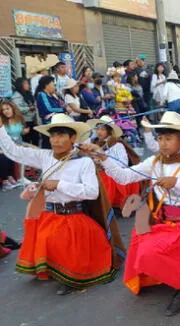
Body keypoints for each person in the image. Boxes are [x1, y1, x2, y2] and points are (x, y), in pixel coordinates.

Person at [83, 111, 180, 316]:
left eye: (169, 138)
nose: (163, 143)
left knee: (177, 253)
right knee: (145, 248)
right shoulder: (155, 162)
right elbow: (124, 177)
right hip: (167, 221)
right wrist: (102, 156)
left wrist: (178, 183)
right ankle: (178, 279)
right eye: (160, 138)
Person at [0, 113, 125, 295]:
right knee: (47, 241)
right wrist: (1, 128)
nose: (55, 141)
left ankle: (71, 276)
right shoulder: (44, 156)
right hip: (50, 216)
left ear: (73, 138)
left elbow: (91, 192)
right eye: (52, 136)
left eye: (61, 136)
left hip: (74, 218)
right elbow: (13, 151)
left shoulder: (84, 162)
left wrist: (60, 185)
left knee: (74, 258)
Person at [86, 116, 140, 209]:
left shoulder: (117, 144)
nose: (99, 132)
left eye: (102, 129)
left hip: (111, 171)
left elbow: (123, 163)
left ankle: (105, 205)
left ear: (109, 131)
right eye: (98, 129)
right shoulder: (93, 143)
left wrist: (105, 162)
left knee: (106, 178)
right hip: (97, 170)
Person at [36, 75, 66, 148]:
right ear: (47, 85)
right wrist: (63, 110)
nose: (54, 87)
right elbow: (48, 109)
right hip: (48, 124)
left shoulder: (52, 96)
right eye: (53, 85)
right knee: (48, 145)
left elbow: (60, 105)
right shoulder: (42, 94)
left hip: (56, 123)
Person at [11, 77, 39, 146]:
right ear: (20, 85)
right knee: (27, 141)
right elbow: (17, 109)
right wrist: (29, 108)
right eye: (25, 83)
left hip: (32, 120)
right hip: (24, 121)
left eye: (28, 83)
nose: (28, 85)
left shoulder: (28, 94)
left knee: (36, 139)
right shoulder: (17, 95)